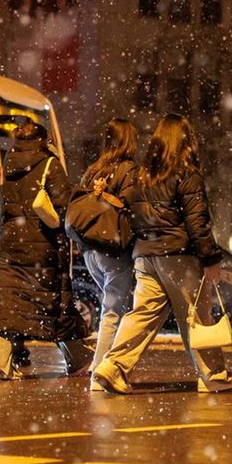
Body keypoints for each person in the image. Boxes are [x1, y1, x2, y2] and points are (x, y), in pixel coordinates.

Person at [92, 114, 232, 394]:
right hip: (178, 256)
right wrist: (210, 259)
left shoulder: (142, 175)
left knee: (141, 315)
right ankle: (214, 375)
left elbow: (134, 215)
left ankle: (112, 366)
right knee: (196, 316)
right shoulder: (186, 173)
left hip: (145, 255)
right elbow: (198, 221)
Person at [0, 122, 89, 379]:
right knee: (55, 303)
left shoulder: (9, 163)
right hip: (43, 245)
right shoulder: (50, 164)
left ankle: (0, 362)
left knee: (12, 303)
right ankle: (76, 358)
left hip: (11, 245)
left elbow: (2, 204)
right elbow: (63, 207)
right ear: (43, 140)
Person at [76, 117, 140, 375]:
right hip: (113, 248)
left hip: (90, 249)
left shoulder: (94, 169)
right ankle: (102, 366)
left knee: (109, 308)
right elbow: (130, 207)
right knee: (114, 311)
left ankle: (104, 363)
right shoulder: (129, 170)